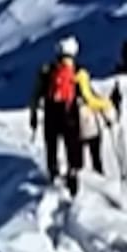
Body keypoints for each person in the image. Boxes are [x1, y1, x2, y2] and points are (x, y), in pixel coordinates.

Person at [30, 36, 114, 196]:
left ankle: (53, 173)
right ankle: (73, 175)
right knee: (72, 147)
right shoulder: (79, 73)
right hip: (70, 116)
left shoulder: (46, 71)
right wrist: (106, 104)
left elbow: (35, 97)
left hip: (50, 115)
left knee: (52, 146)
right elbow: (89, 99)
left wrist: (33, 115)